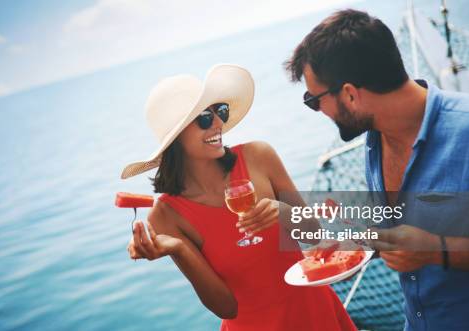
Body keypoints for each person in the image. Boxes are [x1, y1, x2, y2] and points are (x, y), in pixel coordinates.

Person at [285, 9, 469, 331]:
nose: (318, 111)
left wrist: (436, 250)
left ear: (349, 94)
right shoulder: (375, 140)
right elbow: (411, 236)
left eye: (313, 100)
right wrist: (355, 243)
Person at [122, 64, 356, 331]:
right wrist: (180, 249)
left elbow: (313, 236)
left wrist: (282, 211)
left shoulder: (259, 156)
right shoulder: (166, 215)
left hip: (316, 312)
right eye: (204, 118)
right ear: (176, 137)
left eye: (219, 111)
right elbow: (226, 308)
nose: (220, 123)